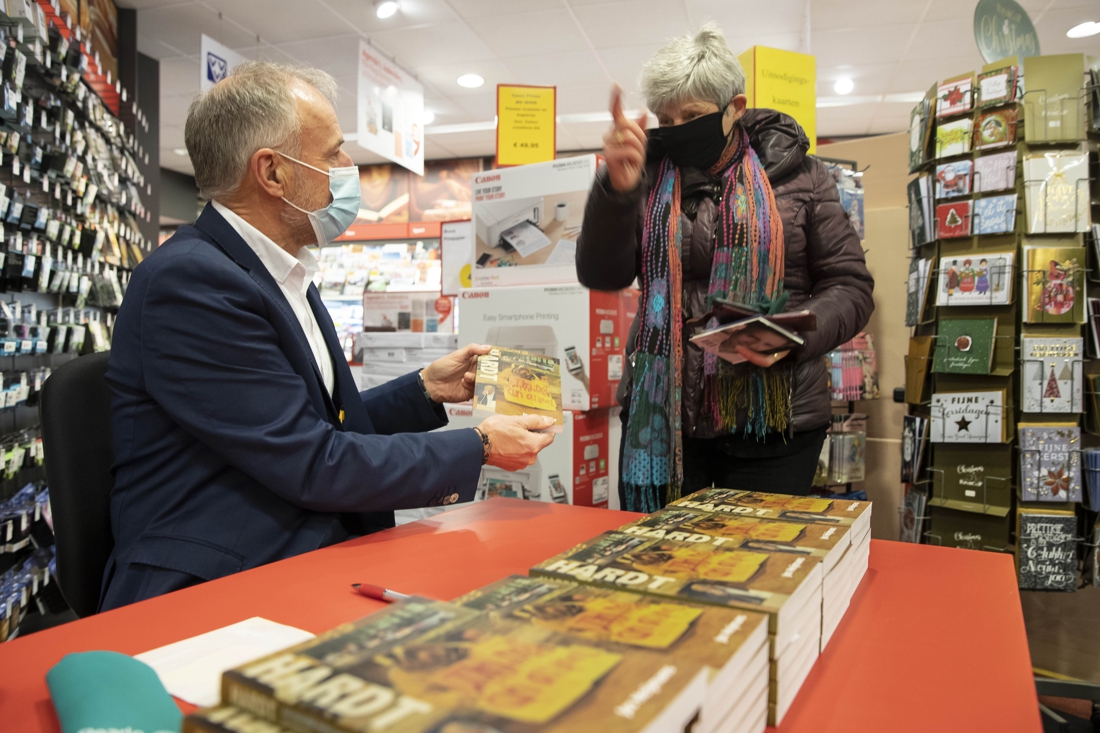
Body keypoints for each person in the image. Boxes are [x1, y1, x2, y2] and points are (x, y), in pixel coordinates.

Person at [101, 62, 554, 611]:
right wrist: (479, 445)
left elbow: (306, 425)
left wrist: (424, 391)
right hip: (220, 582)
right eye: (332, 153)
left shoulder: (280, 271)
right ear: (272, 173)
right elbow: (312, 461)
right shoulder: (192, 283)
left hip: (294, 542)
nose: (347, 168)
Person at [576, 25, 874, 512]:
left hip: (776, 422)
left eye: (692, 116)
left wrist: (790, 336)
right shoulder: (644, 174)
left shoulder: (803, 176)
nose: (676, 128)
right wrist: (615, 191)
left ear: (734, 107)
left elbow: (851, 286)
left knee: (758, 567)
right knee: (663, 559)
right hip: (664, 420)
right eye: (665, 117)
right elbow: (601, 273)